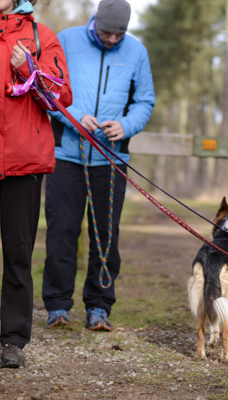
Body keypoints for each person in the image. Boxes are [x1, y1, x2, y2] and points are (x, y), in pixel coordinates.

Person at [43, 0, 155, 331]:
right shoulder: (65, 39)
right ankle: (58, 305)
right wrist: (75, 117)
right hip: (65, 156)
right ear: (96, 22)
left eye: (118, 34)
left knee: (105, 234)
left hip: (111, 159)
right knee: (62, 231)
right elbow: (47, 89)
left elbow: (145, 101)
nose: (111, 39)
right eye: (106, 32)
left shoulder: (136, 52)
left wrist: (126, 125)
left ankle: (99, 307)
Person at [0, 0, 72, 368]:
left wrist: (28, 68)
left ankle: (12, 340)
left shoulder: (42, 37)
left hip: (22, 163)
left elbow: (61, 97)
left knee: (17, 256)